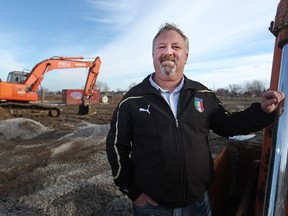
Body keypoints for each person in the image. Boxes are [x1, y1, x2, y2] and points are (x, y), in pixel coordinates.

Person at [106, 23, 285, 216]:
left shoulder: (203, 95)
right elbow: (117, 146)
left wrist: (263, 111)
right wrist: (133, 193)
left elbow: (229, 124)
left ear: (186, 56)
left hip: (198, 204)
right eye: (161, 47)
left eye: (176, 47)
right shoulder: (132, 100)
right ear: (153, 56)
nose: (168, 52)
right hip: (152, 208)